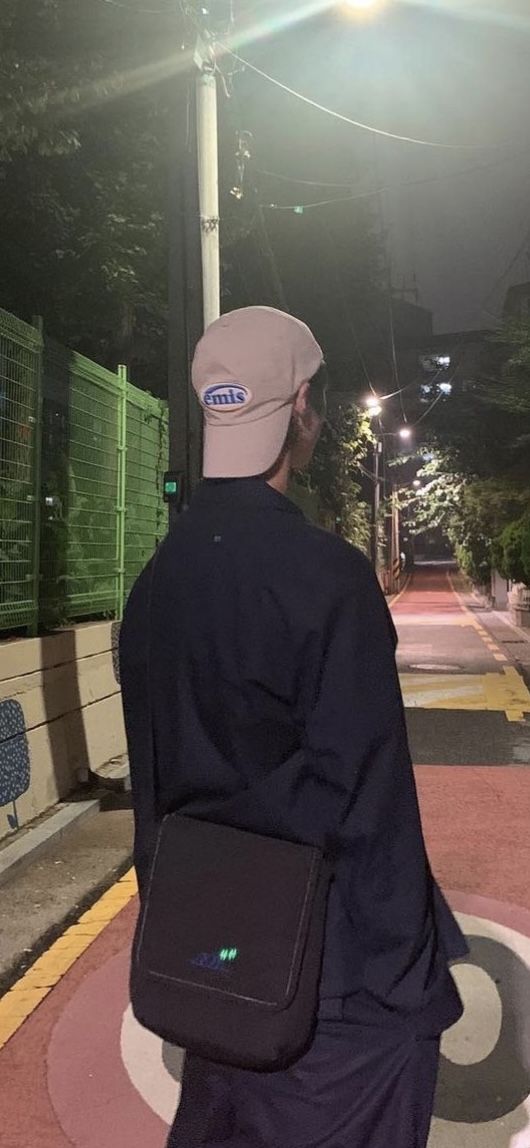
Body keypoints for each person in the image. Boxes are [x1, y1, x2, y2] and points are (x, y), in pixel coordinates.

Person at [119, 306, 466, 1148]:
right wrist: (408, 990)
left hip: (211, 963)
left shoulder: (156, 584)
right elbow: (370, 801)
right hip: (334, 983)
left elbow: (153, 792)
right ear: (303, 407)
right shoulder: (326, 580)